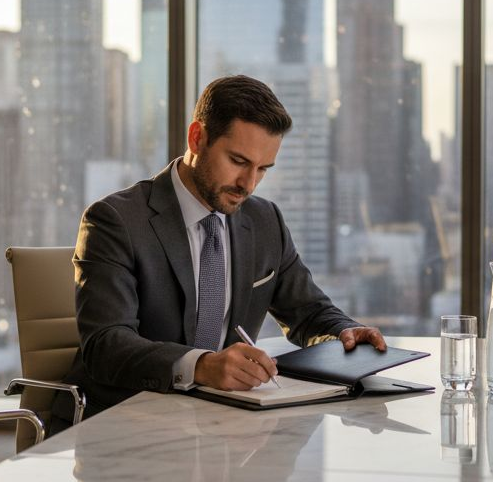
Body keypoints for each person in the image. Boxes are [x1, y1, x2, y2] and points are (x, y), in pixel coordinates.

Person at [50, 75, 384, 431]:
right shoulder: (116, 221)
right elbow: (106, 346)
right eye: (238, 161)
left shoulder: (264, 220)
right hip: (120, 425)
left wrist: (346, 331)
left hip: (218, 427)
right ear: (197, 137)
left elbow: (308, 311)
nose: (248, 184)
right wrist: (202, 366)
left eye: (262, 169)